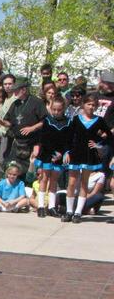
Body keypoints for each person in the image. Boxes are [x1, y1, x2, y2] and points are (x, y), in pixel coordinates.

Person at [63, 93, 111, 223]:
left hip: (89, 154)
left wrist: (98, 144)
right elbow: (68, 137)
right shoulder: (76, 119)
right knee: (72, 183)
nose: (91, 107)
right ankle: (69, 211)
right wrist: (67, 151)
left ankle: (78, 212)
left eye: (93, 105)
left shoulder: (99, 120)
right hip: (75, 153)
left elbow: (109, 135)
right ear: (83, 105)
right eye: (88, 104)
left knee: (84, 183)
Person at [0, 79, 47, 179]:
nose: (14, 92)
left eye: (16, 90)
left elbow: (44, 121)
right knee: (13, 167)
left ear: (24, 90)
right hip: (17, 142)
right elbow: (9, 122)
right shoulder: (15, 104)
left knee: (30, 170)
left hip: (32, 142)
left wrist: (32, 128)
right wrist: (1, 122)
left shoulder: (37, 102)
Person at [35, 96, 71, 217]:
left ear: (63, 109)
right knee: (44, 178)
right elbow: (44, 139)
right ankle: (40, 206)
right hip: (47, 153)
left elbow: (68, 140)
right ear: (51, 108)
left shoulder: (68, 122)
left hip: (60, 155)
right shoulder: (47, 120)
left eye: (59, 110)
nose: (56, 112)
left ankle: (51, 207)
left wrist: (65, 152)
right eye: (54, 109)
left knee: (54, 180)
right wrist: (52, 153)